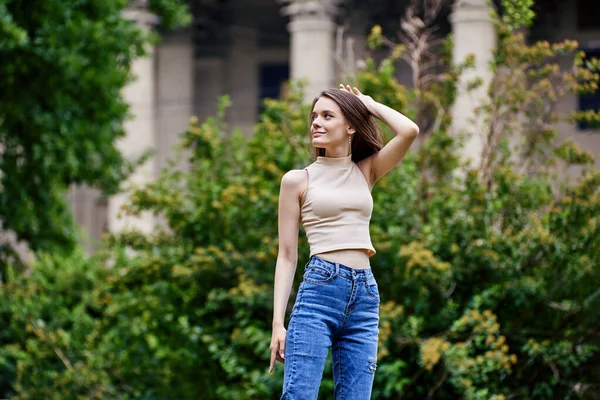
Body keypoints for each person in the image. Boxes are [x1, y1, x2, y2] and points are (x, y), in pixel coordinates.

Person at [269, 84, 419, 400]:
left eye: (327, 115)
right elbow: (286, 256)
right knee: (299, 395)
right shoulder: (297, 180)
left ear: (350, 126)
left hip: (364, 295)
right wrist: (277, 325)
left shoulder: (366, 171)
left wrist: (368, 103)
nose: (316, 123)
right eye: (313, 117)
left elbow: (409, 131)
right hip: (319, 290)